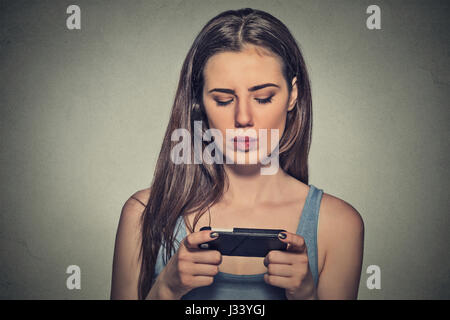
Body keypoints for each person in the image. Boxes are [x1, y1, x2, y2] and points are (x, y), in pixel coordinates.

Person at [110, 8, 364, 300]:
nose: (243, 117)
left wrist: (306, 297)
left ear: (293, 95)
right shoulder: (142, 213)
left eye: (263, 98)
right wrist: (166, 289)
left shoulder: (339, 225)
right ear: (199, 104)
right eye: (223, 99)